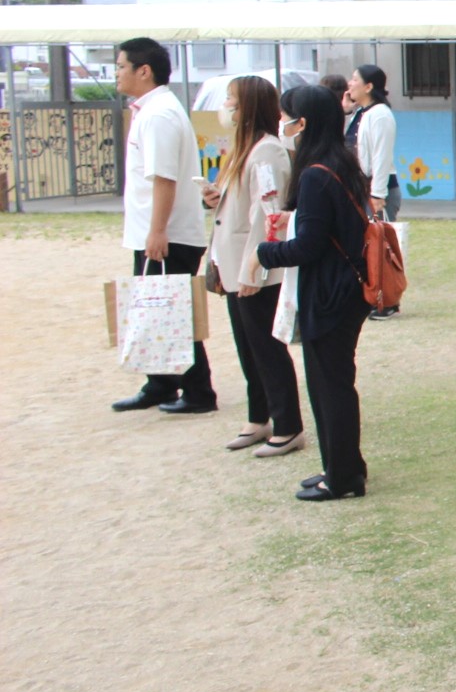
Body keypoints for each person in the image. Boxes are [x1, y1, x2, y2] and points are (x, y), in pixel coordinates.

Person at [254, 85, 372, 502]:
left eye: (286, 117)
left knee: (330, 386)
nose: (282, 124)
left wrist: (263, 252)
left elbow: (308, 247)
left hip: (330, 294)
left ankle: (342, 478)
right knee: (333, 383)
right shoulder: (339, 163)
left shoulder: (316, 174)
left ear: (302, 123)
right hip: (345, 289)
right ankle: (342, 466)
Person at [110, 36, 218, 415]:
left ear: (144, 71)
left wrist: (157, 232)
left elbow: (164, 179)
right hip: (156, 231)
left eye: (121, 66)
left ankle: (199, 393)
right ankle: (161, 384)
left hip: (168, 235)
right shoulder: (152, 110)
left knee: (175, 311)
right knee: (156, 309)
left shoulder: (158, 115)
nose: (116, 73)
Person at [205, 73, 302, 457]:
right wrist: (217, 199)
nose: (226, 106)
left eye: (232, 100)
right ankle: (259, 417)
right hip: (234, 264)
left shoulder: (266, 152)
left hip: (255, 269)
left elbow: (267, 214)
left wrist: (254, 270)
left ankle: (288, 425)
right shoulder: (243, 149)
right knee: (247, 346)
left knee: (266, 347)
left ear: (249, 107)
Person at [345, 64, 400, 318]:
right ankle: (374, 295)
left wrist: (377, 194)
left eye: (354, 80)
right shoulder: (362, 112)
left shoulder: (380, 115)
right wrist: (347, 109)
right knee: (366, 247)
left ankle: (387, 300)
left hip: (376, 189)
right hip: (363, 187)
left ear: (369, 87)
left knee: (380, 249)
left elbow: (381, 156)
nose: (350, 83)